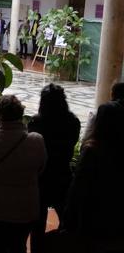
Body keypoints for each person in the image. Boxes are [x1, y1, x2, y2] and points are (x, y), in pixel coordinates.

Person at [0, 95, 46, 253]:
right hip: (24, 205)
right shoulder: (36, 140)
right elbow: (40, 168)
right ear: (21, 114)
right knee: (18, 246)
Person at [62, 101, 124, 251]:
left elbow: (78, 187)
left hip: (92, 217)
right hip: (117, 218)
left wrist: (68, 219)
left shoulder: (93, 150)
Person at [28, 84, 80, 253]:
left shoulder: (36, 122)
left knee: (37, 226)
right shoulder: (73, 122)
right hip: (62, 176)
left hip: (41, 179)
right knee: (67, 223)